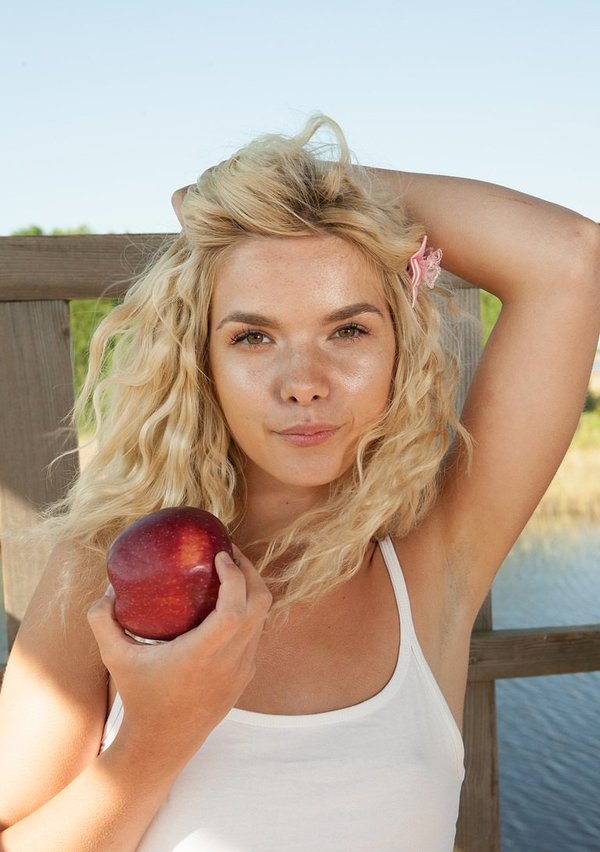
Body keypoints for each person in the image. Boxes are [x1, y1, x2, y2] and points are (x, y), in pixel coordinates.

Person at [0, 115, 599, 852]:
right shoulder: (105, 573)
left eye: (348, 330)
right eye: (254, 337)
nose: (304, 383)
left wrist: (303, 186)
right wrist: (155, 740)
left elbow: (569, 256)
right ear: (202, 360)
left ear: (400, 348)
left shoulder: (433, 560)